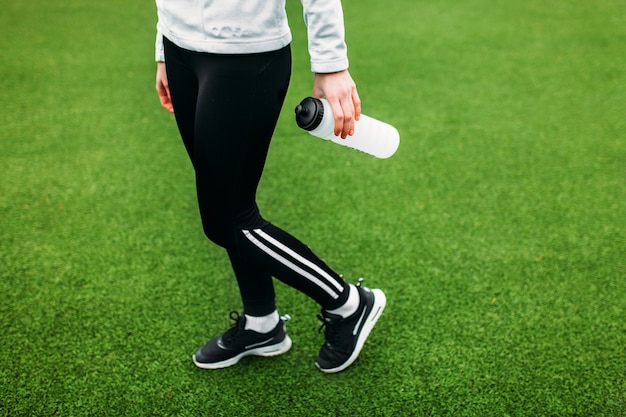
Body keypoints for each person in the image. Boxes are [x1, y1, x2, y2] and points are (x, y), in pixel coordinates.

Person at [154, 0, 386, 373]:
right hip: (179, 47)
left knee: (227, 220)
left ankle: (348, 304)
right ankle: (262, 323)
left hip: (245, 55)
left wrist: (332, 63)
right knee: (227, 199)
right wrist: (164, 45)